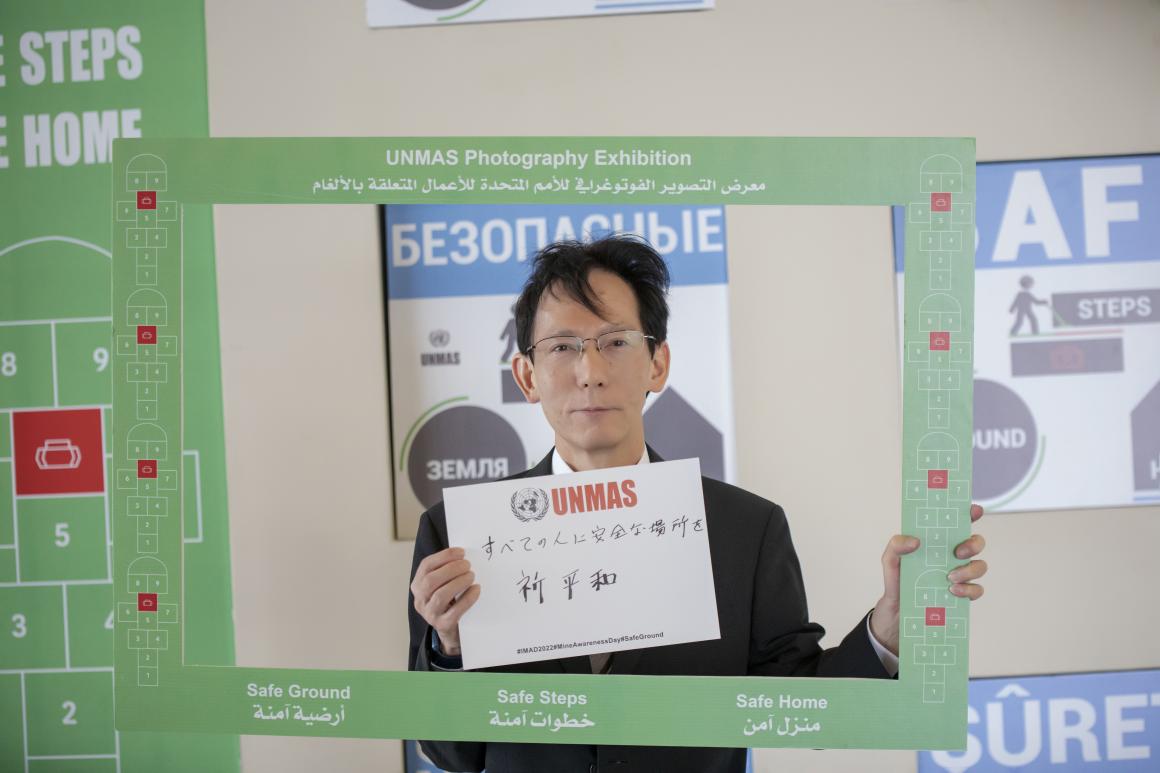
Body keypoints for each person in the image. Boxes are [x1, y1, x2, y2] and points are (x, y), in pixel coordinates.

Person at [407, 234, 988, 773]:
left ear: (657, 364)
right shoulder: (458, 533)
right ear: (527, 376)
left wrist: (888, 627)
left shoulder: (746, 529)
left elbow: (802, 707)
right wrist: (450, 648)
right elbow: (451, 753)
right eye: (562, 347)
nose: (590, 372)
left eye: (616, 342)